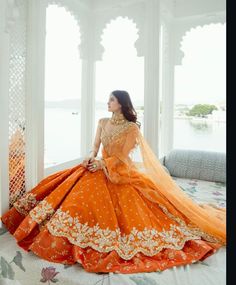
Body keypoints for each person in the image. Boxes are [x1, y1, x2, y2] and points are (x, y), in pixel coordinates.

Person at [0, 90, 226, 274]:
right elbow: (95, 146)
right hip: (97, 166)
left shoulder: (132, 128)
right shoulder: (102, 121)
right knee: (70, 195)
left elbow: (121, 157)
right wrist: (91, 157)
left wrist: (104, 165)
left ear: (121, 104)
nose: (108, 102)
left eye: (112, 100)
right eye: (108, 99)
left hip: (118, 172)